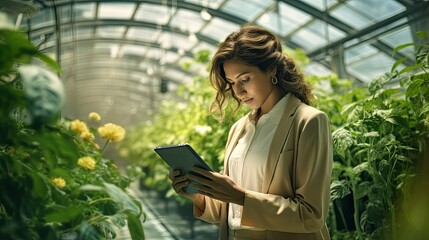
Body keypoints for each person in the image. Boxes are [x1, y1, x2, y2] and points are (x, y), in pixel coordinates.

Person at [169, 24, 333, 240]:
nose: (238, 91)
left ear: (271, 69)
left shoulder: (308, 121)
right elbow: (229, 210)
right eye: (232, 82)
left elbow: (311, 215)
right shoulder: (239, 129)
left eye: (245, 79)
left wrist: (241, 196)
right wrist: (199, 195)